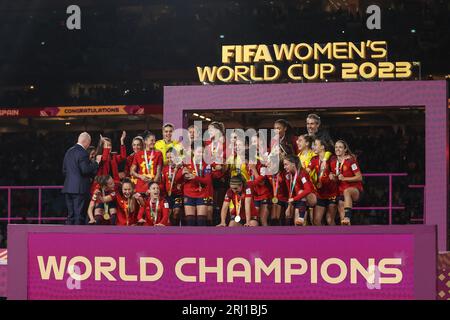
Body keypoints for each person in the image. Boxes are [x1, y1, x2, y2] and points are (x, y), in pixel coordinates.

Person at [62, 132, 100, 225]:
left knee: (70, 215)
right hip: (79, 190)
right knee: (79, 215)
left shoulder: (69, 151)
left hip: (68, 188)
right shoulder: (83, 152)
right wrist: (96, 163)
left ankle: (68, 237)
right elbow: (85, 170)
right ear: (86, 141)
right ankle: (77, 238)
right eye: (89, 143)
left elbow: (64, 170)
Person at [329, 140, 363, 226]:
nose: (338, 149)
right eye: (336, 147)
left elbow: (359, 177)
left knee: (347, 191)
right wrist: (333, 178)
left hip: (355, 190)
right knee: (342, 215)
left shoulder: (351, 161)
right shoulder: (333, 162)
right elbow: (338, 179)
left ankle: (347, 216)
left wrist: (345, 178)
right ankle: (346, 231)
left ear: (345, 149)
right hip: (341, 192)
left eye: (340, 147)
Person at [182, 145, 215, 226]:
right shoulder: (186, 162)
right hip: (189, 193)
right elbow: (178, 178)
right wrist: (181, 174)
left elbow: (208, 181)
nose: (201, 154)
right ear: (193, 151)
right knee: (190, 222)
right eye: (199, 152)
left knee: (201, 221)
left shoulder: (206, 164)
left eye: (203, 152)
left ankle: (203, 238)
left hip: (202, 194)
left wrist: (195, 177)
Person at [308, 138, 338, 226]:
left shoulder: (332, 159)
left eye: (316, 145)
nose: (313, 147)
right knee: (316, 221)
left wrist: (333, 178)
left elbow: (336, 177)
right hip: (320, 194)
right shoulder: (314, 159)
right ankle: (320, 239)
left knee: (329, 220)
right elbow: (307, 171)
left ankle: (335, 239)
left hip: (332, 194)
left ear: (322, 147)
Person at [283, 154, 317, 226]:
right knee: (297, 224)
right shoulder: (289, 175)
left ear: (293, 164)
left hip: (312, 198)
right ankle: (301, 219)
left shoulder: (302, 173)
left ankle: (301, 217)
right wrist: (289, 207)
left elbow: (308, 190)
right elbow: (290, 192)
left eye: (286, 164)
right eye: (284, 165)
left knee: (302, 191)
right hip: (301, 200)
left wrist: (294, 199)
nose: (284, 167)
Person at [130, 131, 163, 198]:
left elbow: (158, 173)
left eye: (154, 140)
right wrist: (140, 176)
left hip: (153, 187)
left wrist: (153, 184)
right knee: (142, 206)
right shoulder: (138, 154)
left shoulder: (158, 154)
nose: (154, 142)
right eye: (152, 140)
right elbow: (132, 172)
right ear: (145, 141)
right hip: (141, 186)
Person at [160, 148, 184, 226]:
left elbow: (183, 181)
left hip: (178, 195)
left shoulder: (181, 168)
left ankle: (176, 229)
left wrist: (181, 185)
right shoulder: (165, 169)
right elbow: (163, 184)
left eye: (171, 157)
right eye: (168, 157)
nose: (169, 159)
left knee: (176, 212)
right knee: (168, 213)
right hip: (168, 196)